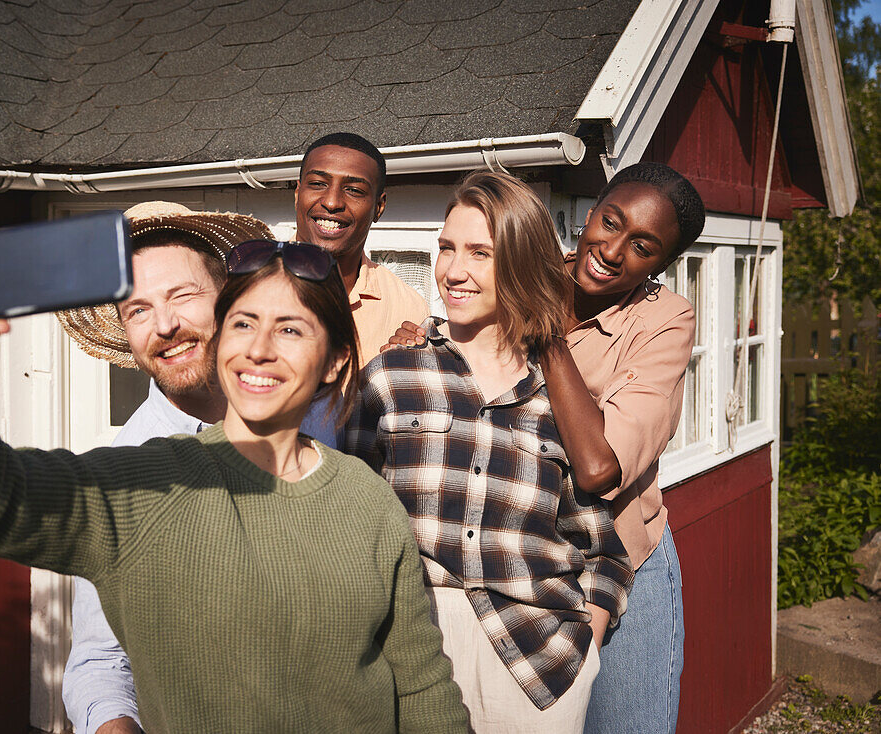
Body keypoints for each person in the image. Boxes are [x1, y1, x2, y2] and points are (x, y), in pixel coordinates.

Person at [0, 220, 470, 733]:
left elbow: (421, 688)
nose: (260, 349)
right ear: (221, 338)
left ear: (336, 360)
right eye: (244, 325)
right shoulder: (145, 482)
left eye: (290, 330)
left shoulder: (366, 497)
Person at [388, 163, 706, 733]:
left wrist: (545, 327)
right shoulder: (528, 272)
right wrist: (420, 342)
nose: (612, 249)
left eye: (643, 247)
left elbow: (597, 470)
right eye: (610, 222)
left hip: (623, 554)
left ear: (661, 266)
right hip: (533, 567)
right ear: (592, 211)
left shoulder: (663, 319)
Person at [346, 170, 633, 733]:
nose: (453, 271)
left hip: (539, 663)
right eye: (447, 248)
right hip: (412, 643)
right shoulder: (391, 376)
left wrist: (588, 642)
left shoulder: (562, 403)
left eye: (480, 253)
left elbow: (603, 549)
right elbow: (341, 514)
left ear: (521, 265)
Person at [56, 201, 328, 734]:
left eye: (182, 296)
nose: (165, 325)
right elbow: (100, 662)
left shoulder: (299, 411)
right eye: (137, 309)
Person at [294, 132, 430, 364]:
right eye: (318, 184)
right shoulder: (247, 284)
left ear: (379, 207)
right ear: (297, 194)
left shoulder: (408, 309)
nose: (332, 202)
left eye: (354, 190)